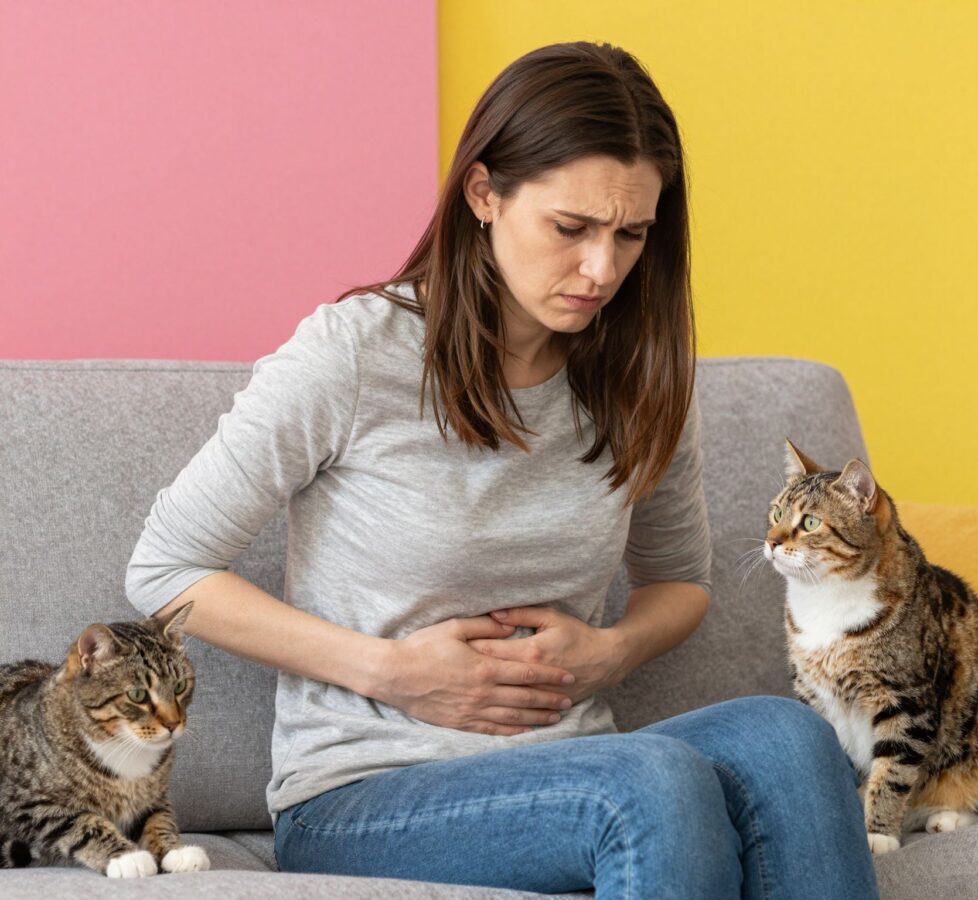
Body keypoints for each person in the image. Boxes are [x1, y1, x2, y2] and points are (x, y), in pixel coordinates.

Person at [125, 40, 880, 899]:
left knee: (789, 739)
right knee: (650, 784)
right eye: (571, 228)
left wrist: (610, 653)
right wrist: (388, 671)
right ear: (484, 194)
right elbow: (165, 568)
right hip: (365, 793)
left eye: (631, 234)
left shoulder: (638, 378)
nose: (602, 269)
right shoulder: (355, 355)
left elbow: (679, 581)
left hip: (579, 763)